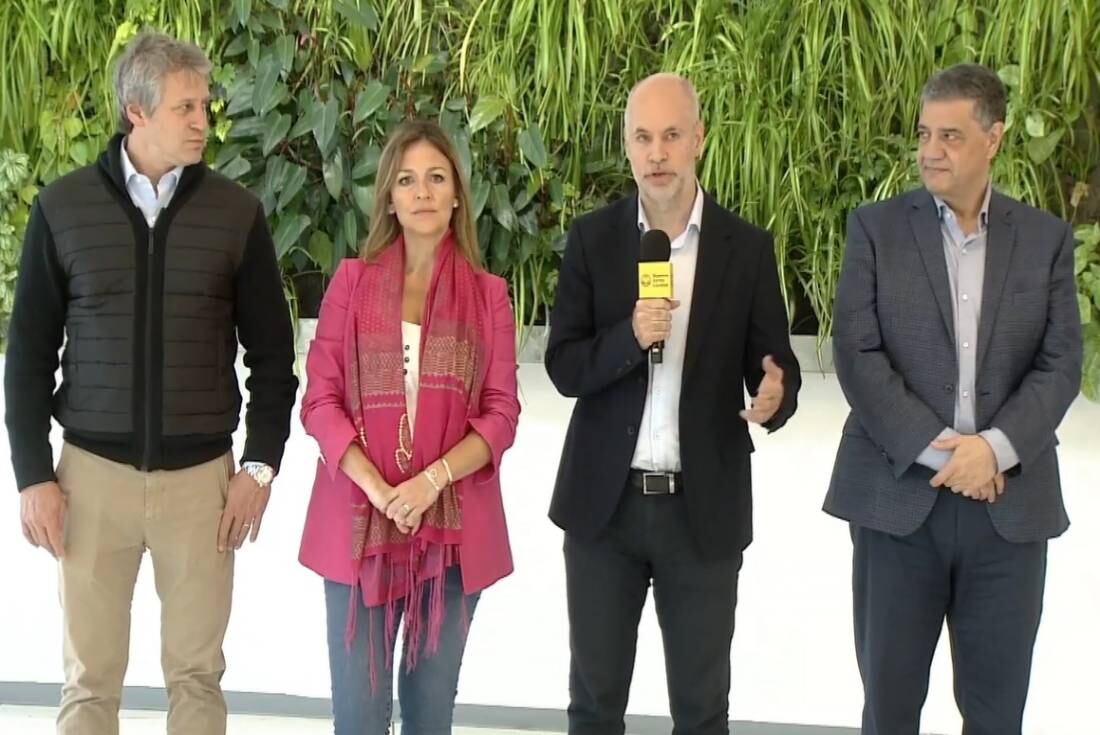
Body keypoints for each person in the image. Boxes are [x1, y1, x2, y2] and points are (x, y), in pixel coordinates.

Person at [5, 31, 298, 735]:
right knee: (89, 682)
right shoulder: (62, 208)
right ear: (137, 112)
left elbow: (273, 359)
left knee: (197, 677)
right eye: (185, 106)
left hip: (201, 485)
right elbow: (27, 354)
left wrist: (257, 466)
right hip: (90, 481)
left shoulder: (237, 214)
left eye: (204, 104)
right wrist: (32, 475)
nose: (202, 119)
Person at [825, 63, 1083, 735]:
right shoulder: (875, 229)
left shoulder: (1046, 240)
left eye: (950, 135)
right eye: (923, 133)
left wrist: (992, 451)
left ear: (993, 139)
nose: (930, 151)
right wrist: (944, 450)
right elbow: (857, 352)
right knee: (889, 710)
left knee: (998, 715)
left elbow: (1061, 365)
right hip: (897, 503)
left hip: (1010, 508)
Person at [545, 72, 801, 735]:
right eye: (642, 138)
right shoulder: (594, 240)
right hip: (605, 510)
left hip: (703, 512)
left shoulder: (746, 248)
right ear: (627, 147)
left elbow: (775, 365)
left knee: (701, 708)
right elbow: (564, 364)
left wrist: (775, 393)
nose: (656, 154)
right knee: (595, 704)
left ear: (698, 140)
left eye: (671, 136)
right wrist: (630, 337)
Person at [298, 119, 521, 735]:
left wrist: (429, 485)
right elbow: (320, 402)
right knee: (360, 720)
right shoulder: (350, 283)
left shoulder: (488, 297)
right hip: (358, 530)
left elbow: (502, 414)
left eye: (436, 178)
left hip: (448, 539)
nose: (422, 192)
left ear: (456, 196)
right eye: (407, 179)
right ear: (390, 199)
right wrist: (380, 491)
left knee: (428, 718)